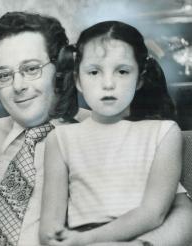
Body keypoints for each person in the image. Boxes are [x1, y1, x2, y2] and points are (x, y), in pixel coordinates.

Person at [0, 12, 192, 246]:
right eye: (4, 74)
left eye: (31, 69)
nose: (19, 86)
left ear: (62, 68)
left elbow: (180, 212)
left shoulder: (101, 132)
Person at [39, 20, 189, 246]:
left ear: (139, 78)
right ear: (78, 79)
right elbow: (50, 225)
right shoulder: (61, 139)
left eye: (122, 71)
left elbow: (153, 213)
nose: (108, 83)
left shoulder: (163, 132)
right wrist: (59, 240)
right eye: (93, 72)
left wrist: (88, 239)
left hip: (138, 239)